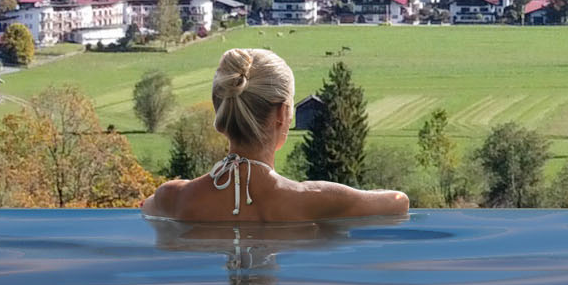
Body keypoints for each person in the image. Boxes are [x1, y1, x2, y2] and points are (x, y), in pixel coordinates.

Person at [144, 46, 411, 224]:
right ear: (283, 114)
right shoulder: (316, 200)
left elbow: (146, 208)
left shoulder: (173, 198)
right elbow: (399, 202)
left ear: (221, 110)